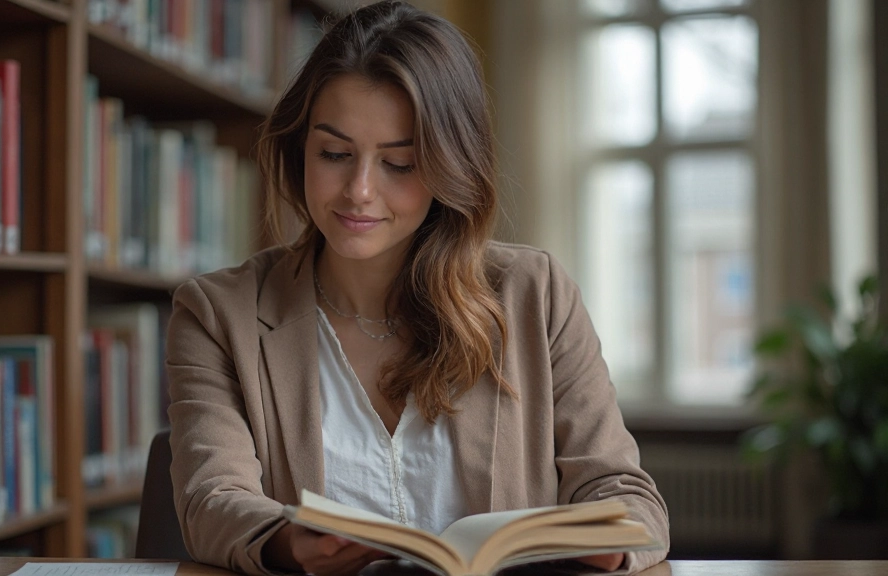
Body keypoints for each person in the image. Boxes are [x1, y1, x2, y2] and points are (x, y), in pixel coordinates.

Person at [166, 2, 670, 575]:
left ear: (449, 166)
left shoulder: (536, 294)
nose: (359, 190)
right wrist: (287, 542)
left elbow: (627, 494)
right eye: (334, 154)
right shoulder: (217, 313)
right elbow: (211, 501)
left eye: (400, 164)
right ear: (299, 149)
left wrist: (607, 544)